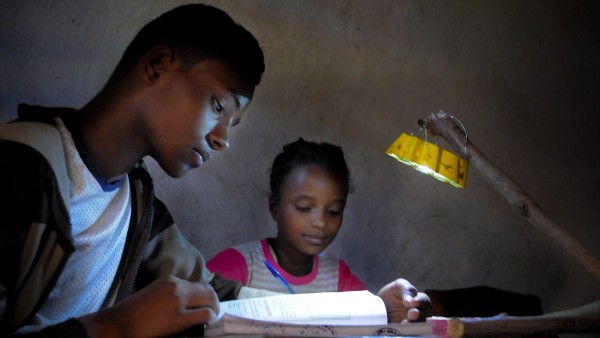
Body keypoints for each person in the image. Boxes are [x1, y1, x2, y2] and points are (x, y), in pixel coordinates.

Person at [0, 4, 430, 338]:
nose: (223, 139)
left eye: (234, 125)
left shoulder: (138, 208)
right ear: (156, 66)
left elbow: (221, 296)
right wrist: (113, 328)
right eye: (218, 106)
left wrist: (371, 309)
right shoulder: (19, 169)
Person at [208, 138, 366, 293]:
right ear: (274, 207)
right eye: (304, 208)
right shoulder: (239, 266)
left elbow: (374, 315)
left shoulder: (336, 277)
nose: (321, 222)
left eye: (334, 211)